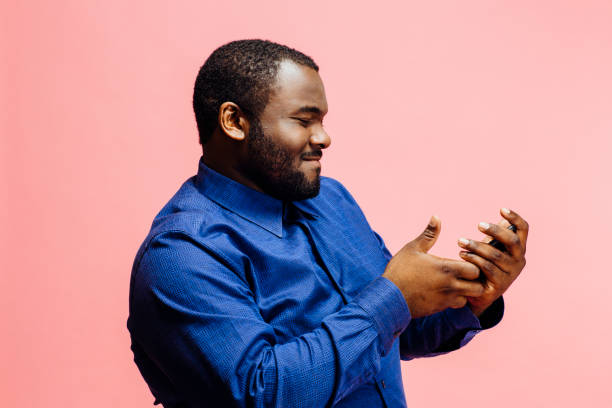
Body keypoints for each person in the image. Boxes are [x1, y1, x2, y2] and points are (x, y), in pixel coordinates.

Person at [127, 39, 528, 408]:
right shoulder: (181, 254)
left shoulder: (331, 200)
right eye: (304, 120)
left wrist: (477, 296)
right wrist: (393, 297)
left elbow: (393, 333)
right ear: (234, 122)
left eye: (322, 119)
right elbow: (263, 393)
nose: (324, 137)